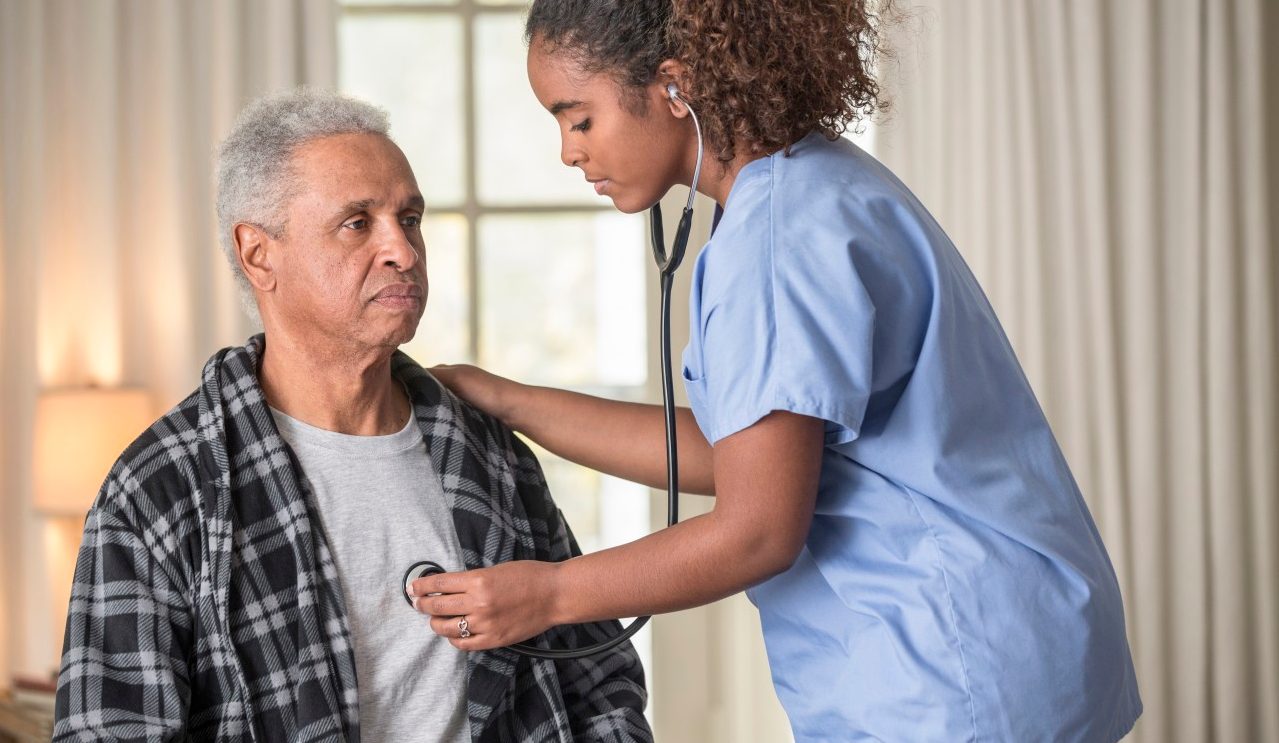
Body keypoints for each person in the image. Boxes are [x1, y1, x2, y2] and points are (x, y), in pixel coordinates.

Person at [408, 2, 1143, 741]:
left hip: (946, 673)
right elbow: (747, 457)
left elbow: (758, 528)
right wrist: (507, 401)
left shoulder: (773, 243)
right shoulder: (814, 183)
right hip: (1017, 639)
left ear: (673, 85)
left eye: (579, 119)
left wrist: (552, 594)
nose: (568, 152)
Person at [52, 88, 651, 743]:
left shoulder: (486, 451)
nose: (404, 251)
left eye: (411, 218)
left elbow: (597, 678)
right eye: (358, 222)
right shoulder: (160, 488)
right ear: (259, 254)